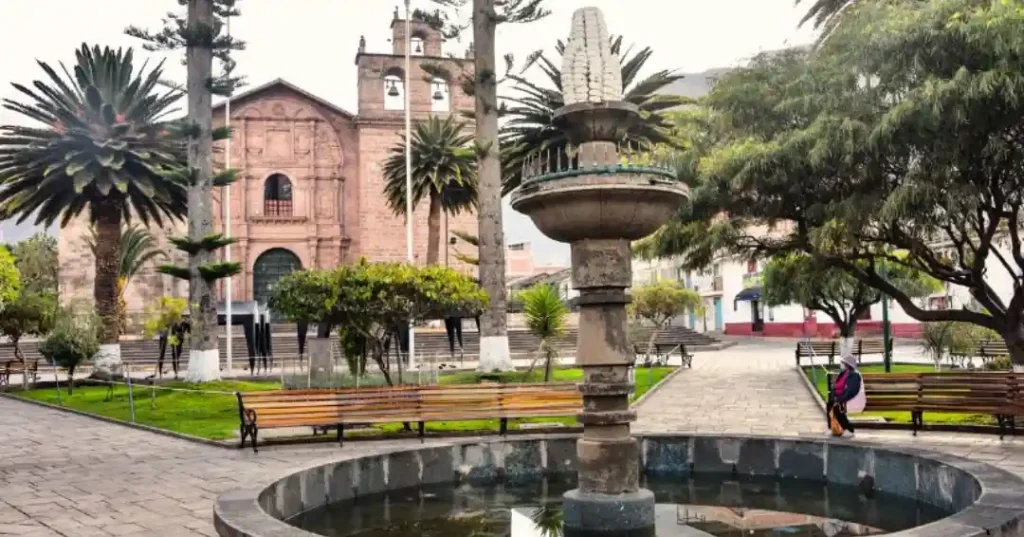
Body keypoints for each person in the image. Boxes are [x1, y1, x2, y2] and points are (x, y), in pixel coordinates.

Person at [827, 353, 863, 437]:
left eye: (845, 363)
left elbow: (851, 391)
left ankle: (849, 429)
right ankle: (831, 428)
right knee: (829, 405)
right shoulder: (844, 373)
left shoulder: (854, 375)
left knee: (837, 408)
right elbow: (837, 384)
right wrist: (834, 392)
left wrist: (841, 399)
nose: (844, 365)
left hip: (847, 398)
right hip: (839, 396)